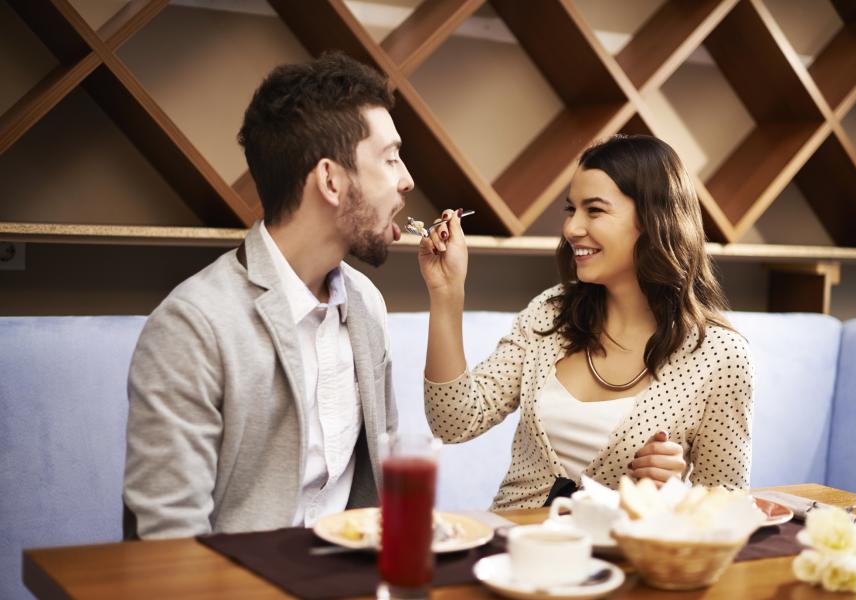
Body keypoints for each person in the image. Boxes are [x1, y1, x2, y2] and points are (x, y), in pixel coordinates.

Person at [124, 51, 414, 538]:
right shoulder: (193, 326)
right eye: (389, 159)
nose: (406, 179)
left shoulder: (365, 304)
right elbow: (168, 543)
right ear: (330, 179)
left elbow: (388, 489)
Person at [418, 135, 754, 510]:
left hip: (619, 561)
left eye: (594, 211)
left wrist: (674, 495)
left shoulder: (721, 356)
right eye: (571, 209)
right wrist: (447, 294)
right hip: (513, 552)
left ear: (653, 219)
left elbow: (726, 509)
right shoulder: (551, 313)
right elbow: (453, 421)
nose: (572, 228)